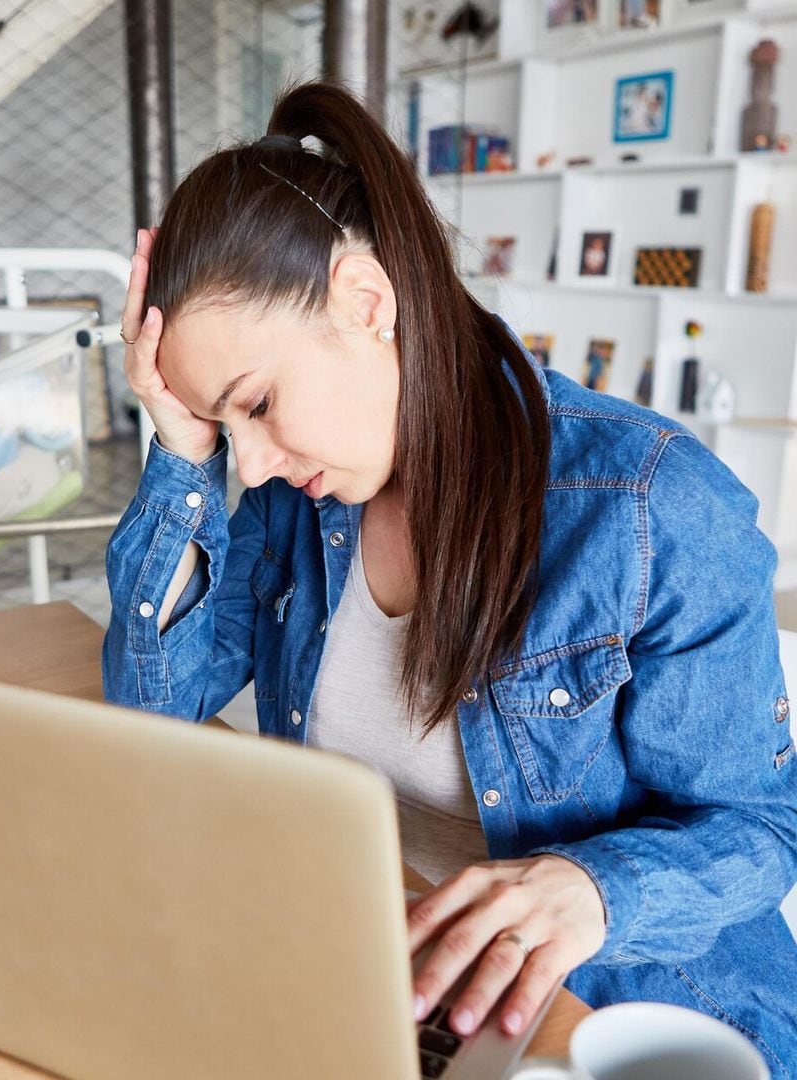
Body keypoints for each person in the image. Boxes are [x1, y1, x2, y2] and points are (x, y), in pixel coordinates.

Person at [102, 81, 796, 1073]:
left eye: (255, 403)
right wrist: (180, 452)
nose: (246, 464)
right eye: (225, 425)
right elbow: (152, 707)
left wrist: (592, 889)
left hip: (623, 1020)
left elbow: (764, 830)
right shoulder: (302, 501)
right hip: (387, 971)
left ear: (366, 301)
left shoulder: (645, 505)